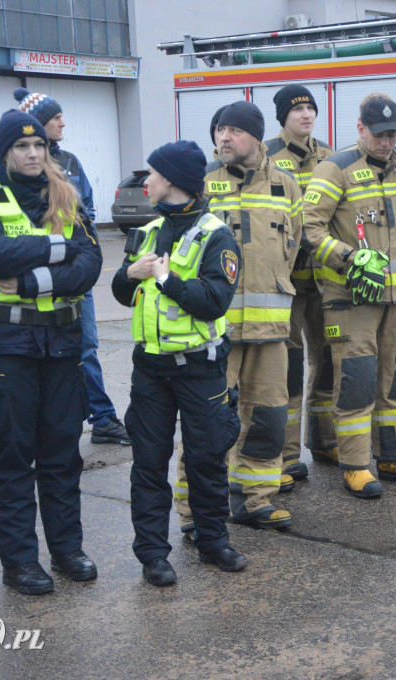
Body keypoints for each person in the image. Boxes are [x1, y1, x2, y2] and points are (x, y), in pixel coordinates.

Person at [0, 110, 102, 594]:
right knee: (13, 456)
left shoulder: (64, 194)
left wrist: (30, 277)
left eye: (39, 146)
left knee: (63, 452)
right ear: (6, 152)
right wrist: (61, 247)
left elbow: (91, 264)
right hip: (6, 346)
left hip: (61, 344)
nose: (34, 154)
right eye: (23, 148)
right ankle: (20, 562)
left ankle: (66, 549)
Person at [113, 140, 246, 584]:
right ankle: (153, 555)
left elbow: (213, 301)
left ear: (171, 180)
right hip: (150, 369)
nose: (145, 181)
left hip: (201, 367)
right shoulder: (148, 230)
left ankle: (214, 543)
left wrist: (166, 279)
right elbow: (123, 291)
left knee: (207, 459)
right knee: (148, 462)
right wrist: (127, 275)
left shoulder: (217, 235)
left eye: (151, 174)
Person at [175, 101, 301, 530]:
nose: (223, 138)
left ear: (257, 136)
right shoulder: (201, 185)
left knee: (267, 416)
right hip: (215, 330)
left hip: (270, 328)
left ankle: (256, 500)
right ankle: (195, 514)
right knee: (207, 423)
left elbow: (293, 246)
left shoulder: (286, 185)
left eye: (233, 130)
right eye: (219, 130)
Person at [302, 93, 396, 498]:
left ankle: (393, 457)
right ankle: (356, 465)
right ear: (360, 128)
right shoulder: (334, 168)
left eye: (392, 134)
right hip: (352, 299)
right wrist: (347, 258)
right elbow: (308, 227)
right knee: (357, 382)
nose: (386, 141)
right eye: (379, 133)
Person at [14, 88, 131, 446]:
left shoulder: (72, 163)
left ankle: (103, 419)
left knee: (86, 346)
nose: (63, 122)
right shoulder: (19, 171)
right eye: (55, 117)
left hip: (75, 274)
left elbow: (88, 214)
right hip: (40, 278)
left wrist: (79, 252)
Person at [264, 85, 335, 490]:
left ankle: (325, 442)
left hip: (324, 280)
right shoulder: (267, 156)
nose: (306, 115)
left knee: (326, 362)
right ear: (283, 117)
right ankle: (288, 456)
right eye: (298, 110)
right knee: (287, 370)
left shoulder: (329, 156)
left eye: (310, 108)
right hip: (286, 283)